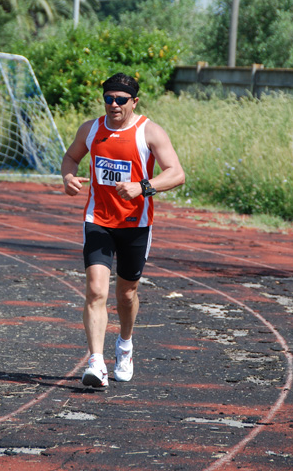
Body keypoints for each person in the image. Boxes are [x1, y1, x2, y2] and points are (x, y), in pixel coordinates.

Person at [61, 72, 185, 388]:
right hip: (98, 220)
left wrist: (143, 187)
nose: (113, 105)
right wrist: (68, 177)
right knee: (96, 290)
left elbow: (176, 174)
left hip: (136, 224)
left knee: (126, 294)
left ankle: (125, 345)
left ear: (134, 102)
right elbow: (71, 158)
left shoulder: (149, 132)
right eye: (108, 99)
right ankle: (96, 363)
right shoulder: (91, 129)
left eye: (120, 100)